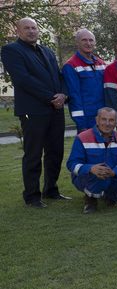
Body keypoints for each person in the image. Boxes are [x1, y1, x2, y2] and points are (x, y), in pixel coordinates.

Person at [1, 18, 70, 207]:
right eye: (27, 28)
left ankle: (51, 190)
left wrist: (63, 94)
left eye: (34, 28)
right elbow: (23, 79)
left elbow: (59, 76)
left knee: (55, 152)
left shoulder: (47, 51)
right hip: (33, 111)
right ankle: (32, 196)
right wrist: (51, 97)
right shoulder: (11, 50)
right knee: (33, 154)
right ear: (18, 31)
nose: (31, 31)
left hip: (55, 110)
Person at [66, 107, 117, 213]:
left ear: (116, 122)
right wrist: (91, 168)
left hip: (111, 176)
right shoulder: (82, 137)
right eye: (104, 119)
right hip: (87, 177)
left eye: (111, 120)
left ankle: (108, 196)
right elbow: (71, 163)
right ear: (97, 120)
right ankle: (90, 200)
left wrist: (114, 173)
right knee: (100, 176)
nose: (107, 123)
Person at [63, 29, 106, 132]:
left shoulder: (101, 63)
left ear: (95, 43)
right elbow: (74, 97)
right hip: (87, 119)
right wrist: (81, 124)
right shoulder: (71, 66)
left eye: (91, 40)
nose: (88, 43)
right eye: (84, 40)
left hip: (104, 116)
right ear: (77, 43)